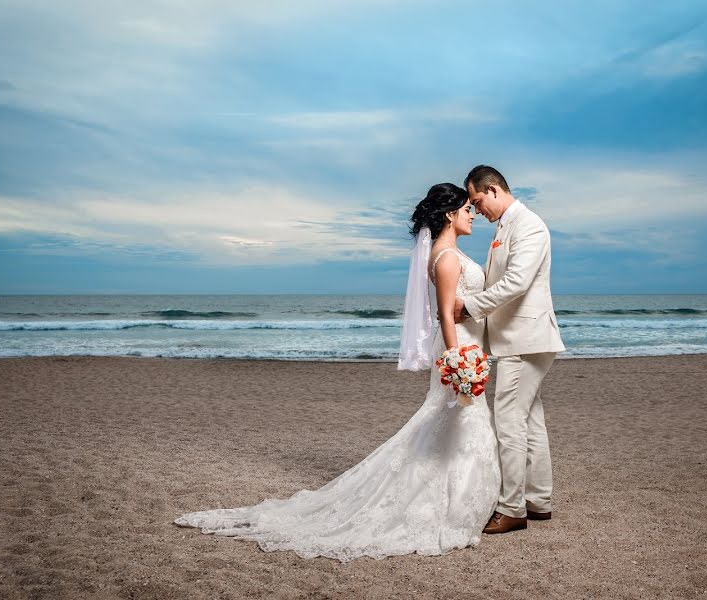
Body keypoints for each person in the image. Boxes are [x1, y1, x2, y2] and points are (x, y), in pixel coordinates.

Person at [174, 183, 501, 562]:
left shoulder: (451, 253)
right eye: (466, 209)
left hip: (467, 348)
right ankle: (449, 507)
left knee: (458, 426)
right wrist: (458, 359)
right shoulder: (446, 258)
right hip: (460, 349)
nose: (472, 214)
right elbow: (445, 314)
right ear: (449, 214)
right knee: (459, 422)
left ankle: (460, 502)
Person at [455, 165, 565, 534]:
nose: (476, 210)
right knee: (530, 418)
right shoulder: (506, 226)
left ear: (493, 189)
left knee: (509, 421)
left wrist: (469, 307)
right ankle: (539, 501)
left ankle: (512, 508)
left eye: (476, 200)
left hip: (526, 339)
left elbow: (516, 282)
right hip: (518, 338)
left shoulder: (529, 224)